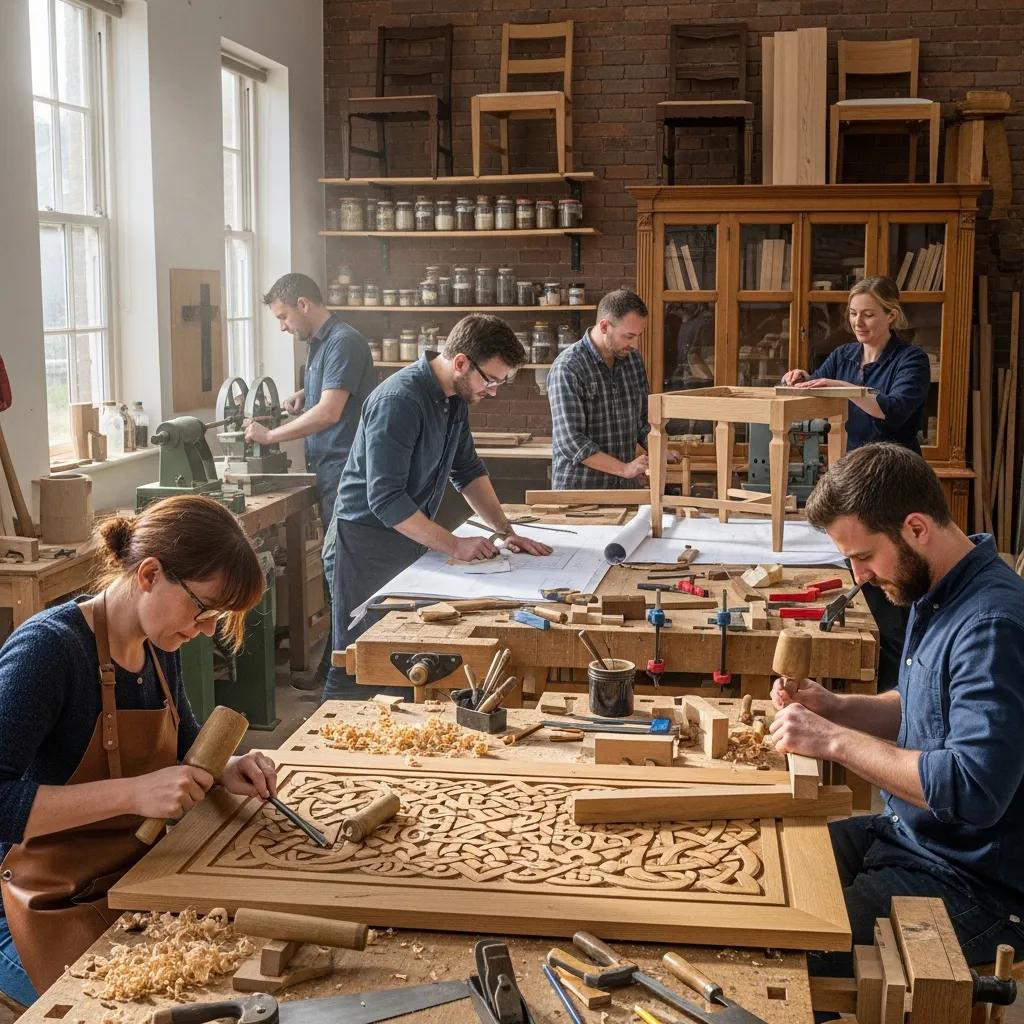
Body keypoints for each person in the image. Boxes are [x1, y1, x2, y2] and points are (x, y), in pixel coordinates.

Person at [0, 495, 276, 1007]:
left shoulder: (157, 644)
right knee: (146, 1009)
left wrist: (226, 768)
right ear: (149, 574)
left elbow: (186, 743)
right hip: (33, 907)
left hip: (127, 883)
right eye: (204, 609)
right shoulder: (49, 650)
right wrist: (132, 794)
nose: (207, 630)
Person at [769, 443, 1024, 982]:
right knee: (766, 869)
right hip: (907, 835)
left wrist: (832, 741)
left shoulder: (992, 623)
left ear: (915, 527)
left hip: (974, 882)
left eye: (863, 556)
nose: (858, 576)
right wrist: (835, 708)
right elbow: (924, 706)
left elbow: (973, 789)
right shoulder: (936, 588)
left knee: (779, 962)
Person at [323, 314, 552, 703]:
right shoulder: (399, 401)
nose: (494, 391)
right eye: (491, 380)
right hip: (364, 546)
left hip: (406, 538)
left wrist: (505, 531)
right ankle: (325, 749)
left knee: (403, 659)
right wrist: (454, 545)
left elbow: (468, 470)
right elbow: (385, 499)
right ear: (460, 362)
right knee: (359, 662)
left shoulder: (455, 398)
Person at [782, 276, 931, 691]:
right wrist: (800, 377)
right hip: (855, 476)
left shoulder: (911, 360)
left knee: (896, 582)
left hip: (896, 477)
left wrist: (846, 388)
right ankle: (879, 683)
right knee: (864, 578)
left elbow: (895, 411)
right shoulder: (846, 354)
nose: (858, 322)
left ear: (891, 315)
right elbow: (819, 385)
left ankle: (905, 685)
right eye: (852, 314)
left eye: (868, 313)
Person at [246, 273, 375, 691]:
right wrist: (305, 392)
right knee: (334, 567)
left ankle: (342, 675)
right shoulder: (322, 345)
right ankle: (336, 666)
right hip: (328, 469)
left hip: (346, 471)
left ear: (303, 304)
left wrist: (269, 436)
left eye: (283, 317)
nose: (283, 327)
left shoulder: (344, 341)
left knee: (342, 569)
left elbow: (330, 413)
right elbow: (325, 396)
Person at [547, 289, 676, 489]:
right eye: (628, 336)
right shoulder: (568, 367)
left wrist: (658, 449)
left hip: (625, 488)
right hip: (580, 491)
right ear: (605, 326)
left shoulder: (632, 360)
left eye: (638, 336)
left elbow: (642, 421)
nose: (635, 344)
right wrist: (625, 469)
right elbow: (571, 442)